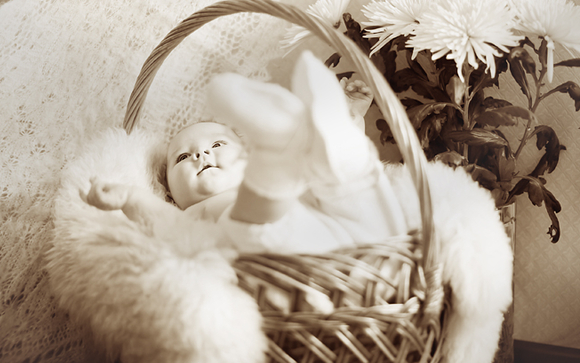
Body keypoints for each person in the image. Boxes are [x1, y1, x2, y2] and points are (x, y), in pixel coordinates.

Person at [85, 51, 407, 255]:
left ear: (246, 157)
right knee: (264, 210)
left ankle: (335, 129)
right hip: (265, 250)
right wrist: (130, 198)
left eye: (217, 145)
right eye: (182, 158)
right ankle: (277, 151)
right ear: (169, 193)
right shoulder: (192, 214)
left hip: (330, 237)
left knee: (342, 184)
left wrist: (354, 118)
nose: (200, 155)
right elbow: (163, 224)